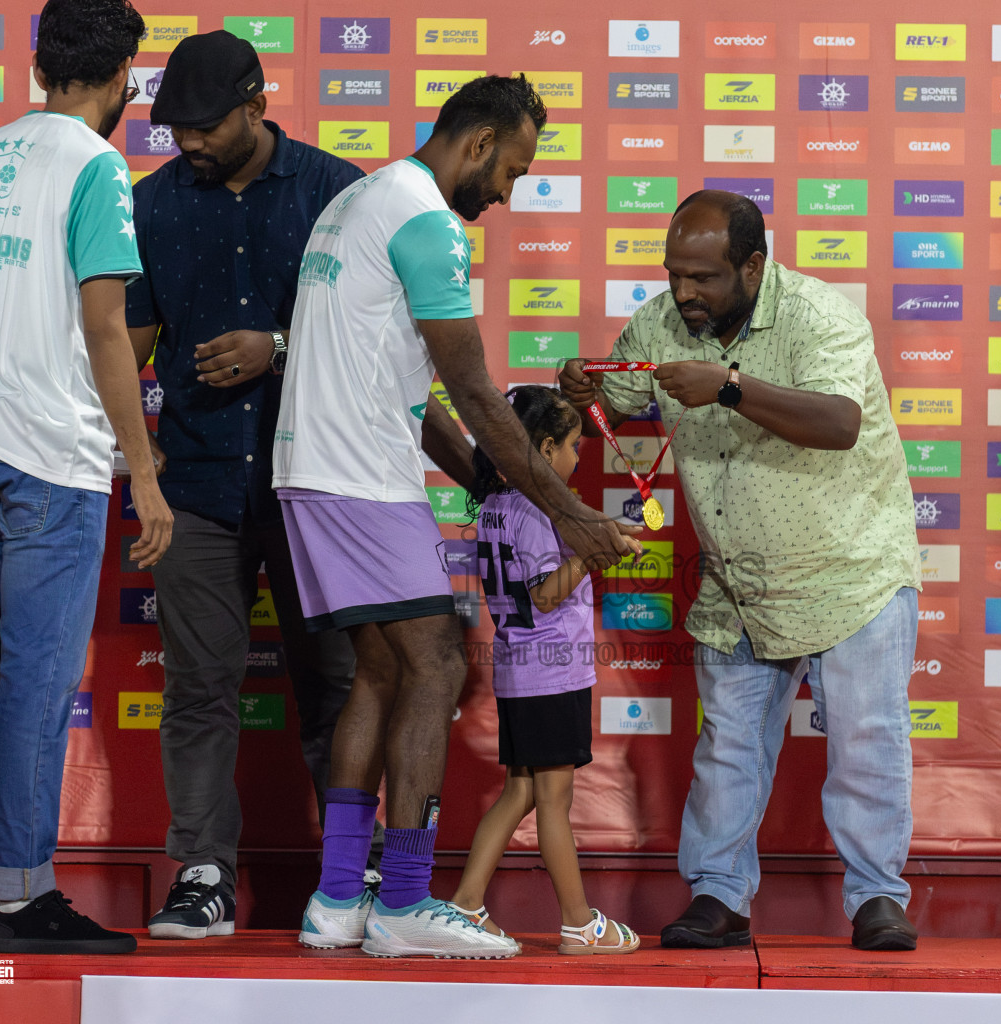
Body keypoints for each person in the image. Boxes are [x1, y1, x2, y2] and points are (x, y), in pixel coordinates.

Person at [274, 73, 639, 958]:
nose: (506, 196)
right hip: (361, 478)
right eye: (510, 171)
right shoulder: (429, 222)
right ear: (477, 143)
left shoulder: (361, 197)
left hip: (312, 470)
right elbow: (475, 389)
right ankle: (401, 901)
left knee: (379, 674)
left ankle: (335, 901)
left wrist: (485, 484)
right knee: (436, 661)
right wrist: (574, 517)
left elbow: (414, 391)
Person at [558, 190, 923, 952]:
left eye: (703, 278)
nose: (684, 293)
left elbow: (839, 422)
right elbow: (617, 400)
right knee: (728, 746)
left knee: (866, 741)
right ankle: (719, 896)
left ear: (752, 267)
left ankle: (877, 900)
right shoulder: (662, 321)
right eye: (674, 274)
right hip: (738, 582)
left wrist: (728, 386)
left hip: (849, 570)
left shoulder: (821, 317)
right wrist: (584, 393)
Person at [0, 0, 172, 954]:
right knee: (34, 685)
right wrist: (142, 476)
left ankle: (19, 888)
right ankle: (19, 901)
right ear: (121, 79)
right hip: (54, 462)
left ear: (38, 66)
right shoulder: (96, 164)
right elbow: (108, 325)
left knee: (22, 681)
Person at [125, 30, 368, 941]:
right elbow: (131, 344)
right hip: (191, 483)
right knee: (197, 690)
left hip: (315, 486)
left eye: (203, 124)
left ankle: (351, 876)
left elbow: (378, 342)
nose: (184, 140)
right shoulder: (148, 204)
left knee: (339, 689)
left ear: (258, 104)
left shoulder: (335, 191)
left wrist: (280, 347)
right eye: (172, 125)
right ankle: (200, 876)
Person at [448, 385, 640, 956]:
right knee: (553, 798)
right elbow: (545, 597)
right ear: (545, 447)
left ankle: (465, 904)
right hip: (550, 671)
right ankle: (580, 924)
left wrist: (585, 542)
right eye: (574, 445)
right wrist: (589, 556)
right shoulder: (534, 509)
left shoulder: (497, 506)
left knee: (523, 790)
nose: (579, 458)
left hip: (520, 669)